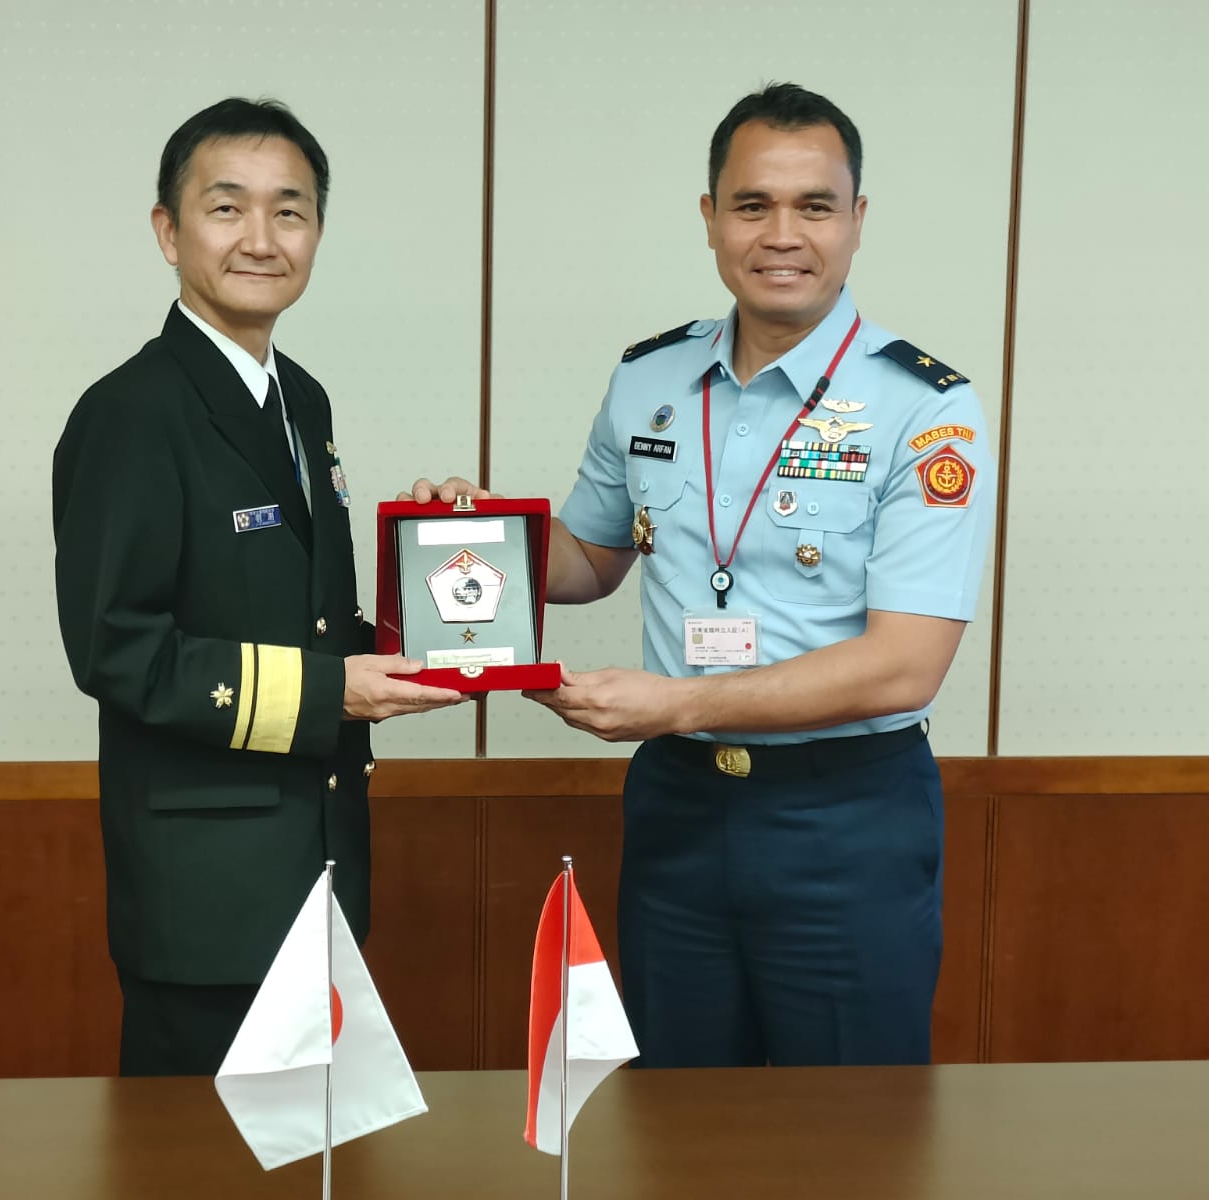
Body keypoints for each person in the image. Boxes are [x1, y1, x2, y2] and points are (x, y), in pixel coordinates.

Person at [407, 82, 994, 1067]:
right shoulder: (650, 378)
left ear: (856, 220)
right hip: (679, 812)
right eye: (752, 204)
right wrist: (477, 536)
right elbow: (593, 556)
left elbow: (905, 666)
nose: (782, 234)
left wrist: (676, 703)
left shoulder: (925, 410)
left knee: (847, 1124)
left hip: (846, 817)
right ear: (711, 216)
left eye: (814, 206)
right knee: (678, 1111)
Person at [53, 98, 465, 1077]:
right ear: (169, 231)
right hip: (207, 901)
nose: (261, 238)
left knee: (317, 1149)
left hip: (316, 871)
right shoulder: (132, 412)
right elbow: (118, 648)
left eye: (290, 211)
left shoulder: (301, 399)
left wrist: (439, 587)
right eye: (227, 207)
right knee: (202, 1154)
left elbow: (307, 619)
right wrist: (333, 694)